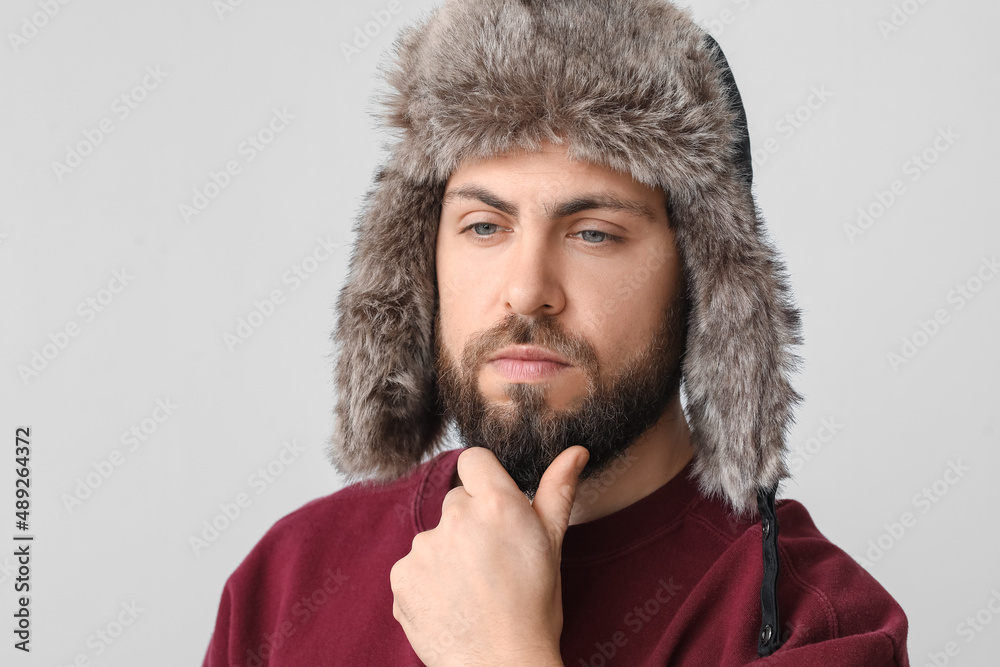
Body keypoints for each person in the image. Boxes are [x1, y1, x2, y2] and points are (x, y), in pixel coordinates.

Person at [202, 0, 910, 664]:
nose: (527, 291)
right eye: (484, 225)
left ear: (705, 281)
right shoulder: (292, 577)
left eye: (593, 233)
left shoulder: (817, 626)